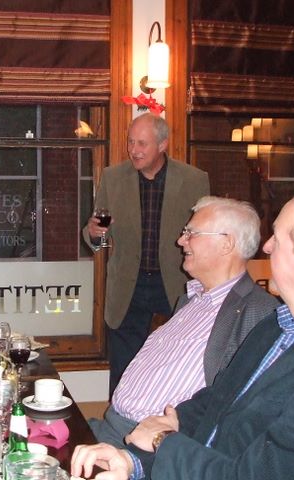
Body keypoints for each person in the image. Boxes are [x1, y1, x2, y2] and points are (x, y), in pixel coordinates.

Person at [72, 185, 294, 480]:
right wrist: (132, 463)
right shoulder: (277, 326)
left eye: (277, 238)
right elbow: (217, 401)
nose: (266, 246)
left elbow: (250, 474)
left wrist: (161, 440)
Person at [89, 196, 279, 448]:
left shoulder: (259, 312)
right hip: (110, 427)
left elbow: (241, 407)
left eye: (191, 233)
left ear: (226, 244)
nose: (180, 241)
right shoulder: (190, 300)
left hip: (148, 448)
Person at [82, 113, 210, 394]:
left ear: (162, 145)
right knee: (123, 372)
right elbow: (100, 240)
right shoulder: (113, 178)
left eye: (142, 143)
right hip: (129, 287)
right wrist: (94, 234)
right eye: (131, 142)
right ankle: (119, 420)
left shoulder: (194, 180)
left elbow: (204, 234)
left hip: (176, 284)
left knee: (173, 370)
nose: (134, 150)